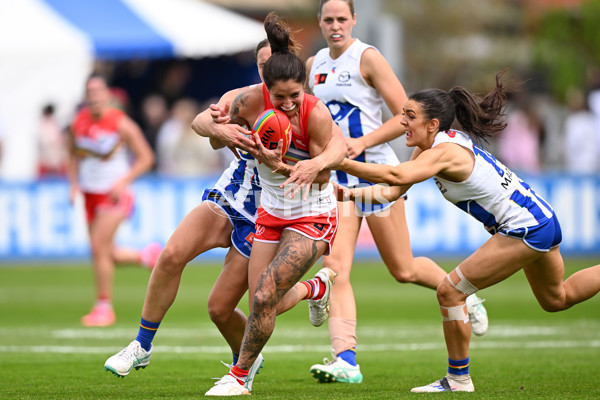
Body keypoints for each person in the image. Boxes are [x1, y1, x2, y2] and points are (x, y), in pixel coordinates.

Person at [333, 69, 600, 392]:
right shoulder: (435, 146)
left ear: (433, 124)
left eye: (409, 116)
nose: (402, 121)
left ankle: (458, 379)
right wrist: (348, 194)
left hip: (525, 228)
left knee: (450, 291)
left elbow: (393, 175)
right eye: (403, 114)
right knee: (557, 298)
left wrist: (340, 162)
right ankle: (458, 378)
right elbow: (392, 191)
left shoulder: (444, 152)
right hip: (540, 219)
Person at [103, 38, 345, 393]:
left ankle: (313, 289)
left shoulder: (307, 109)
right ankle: (142, 345)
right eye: (261, 68)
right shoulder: (249, 97)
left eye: (271, 66)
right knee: (171, 255)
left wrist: (305, 165)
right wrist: (220, 129)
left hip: (269, 210)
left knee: (232, 306)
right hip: (231, 194)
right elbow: (203, 121)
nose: (266, 74)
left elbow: (335, 150)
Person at [305, 0, 488, 383]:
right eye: (328, 19)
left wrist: (360, 142)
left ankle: (466, 295)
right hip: (339, 182)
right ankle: (346, 359)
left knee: (403, 269)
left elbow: (407, 115)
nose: (335, 25)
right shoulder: (314, 65)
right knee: (335, 269)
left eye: (342, 18)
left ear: (354, 20)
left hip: (378, 174)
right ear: (319, 22)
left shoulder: (367, 58)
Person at [203, 12, 347, 396]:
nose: (285, 105)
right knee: (260, 305)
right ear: (265, 87)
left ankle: (239, 377)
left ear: (304, 89)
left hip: (312, 215)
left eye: (294, 96)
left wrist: (278, 163)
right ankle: (316, 289)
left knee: (266, 295)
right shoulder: (249, 101)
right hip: (270, 213)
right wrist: (223, 130)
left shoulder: (314, 113)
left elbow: (320, 175)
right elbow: (214, 136)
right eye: (279, 97)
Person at [68, 74, 162, 327]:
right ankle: (146, 257)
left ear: (107, 94)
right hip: (89, 193)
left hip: (114, 194)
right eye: (91, 91)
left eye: (99, 91)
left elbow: (146, 158)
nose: (95, 96)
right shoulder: (78, 123)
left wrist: (123, 181)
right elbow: (73, 155)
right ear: (86, 96)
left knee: (99, 247)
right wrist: (74, 183)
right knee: (104, 252)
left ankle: (103, 307)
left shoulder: (121, 123)